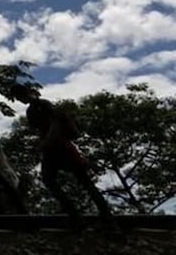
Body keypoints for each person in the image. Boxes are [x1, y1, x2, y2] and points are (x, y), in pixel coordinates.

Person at [14, 86, 112, 221]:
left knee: (82, 180)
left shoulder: (44, 104)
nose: (20, 100)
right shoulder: (31, 111)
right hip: (51, 150)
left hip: (61, 147)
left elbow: (55, 124)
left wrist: (47, 141)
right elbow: (40, 129)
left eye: (20, 97)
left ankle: (103, 214)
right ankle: (74, 213)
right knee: (51, 180)